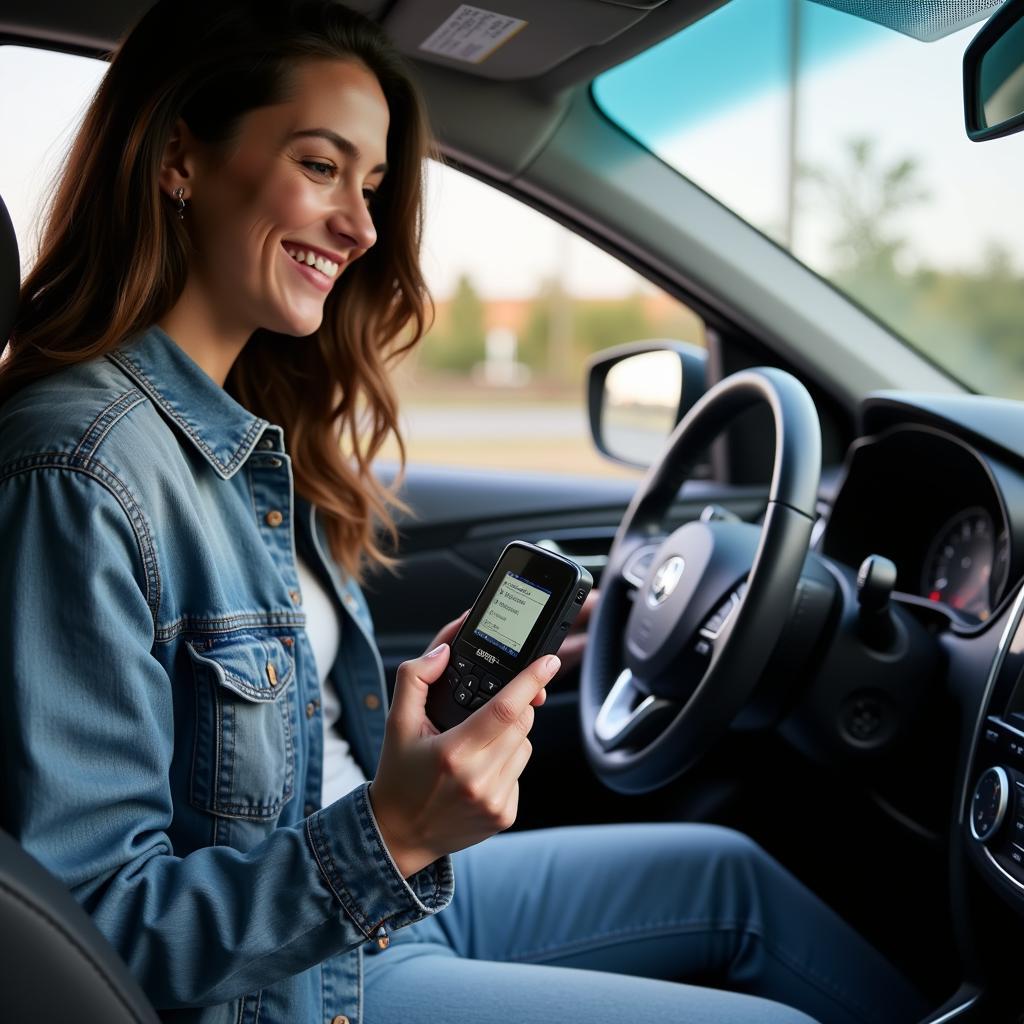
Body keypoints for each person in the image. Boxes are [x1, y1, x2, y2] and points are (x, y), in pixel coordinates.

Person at [0, 2, 930, 1023]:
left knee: (732, 877)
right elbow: (89, 935)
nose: (359, 225)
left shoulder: (240, 434)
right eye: (321, 167)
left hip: (368, 896)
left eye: (372, 185)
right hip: (291, 980)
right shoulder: (78, 467)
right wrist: (394, 830)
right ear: (179, 156)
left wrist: (439, 726)